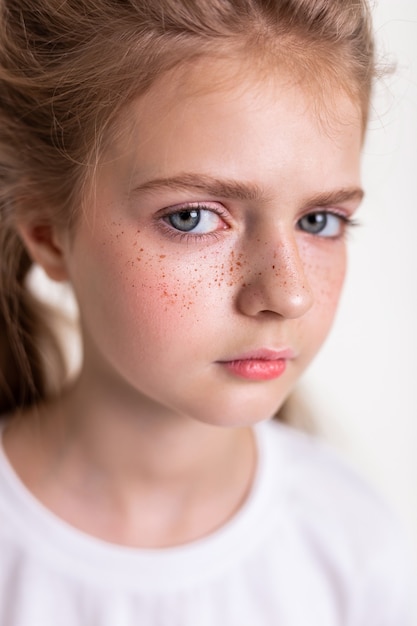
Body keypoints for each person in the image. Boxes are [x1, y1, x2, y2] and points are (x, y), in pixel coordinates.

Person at [0, 0, 413, 624]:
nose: (288, 293)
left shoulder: (356, 550)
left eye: (318, 221)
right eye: (192, 218)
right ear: (48, 233)